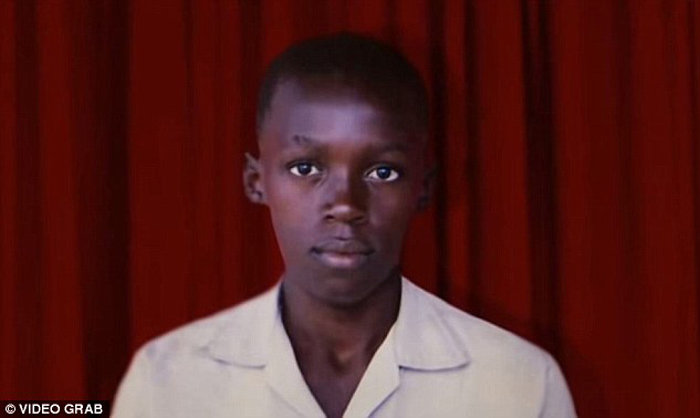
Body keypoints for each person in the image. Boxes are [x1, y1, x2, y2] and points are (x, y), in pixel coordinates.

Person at [112, 33, 576, 418]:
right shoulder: (167, 383)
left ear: (423, 188)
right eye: (306, 168)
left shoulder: (519, 384)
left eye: (382, 172)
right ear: (256, 181)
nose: (346, 206)